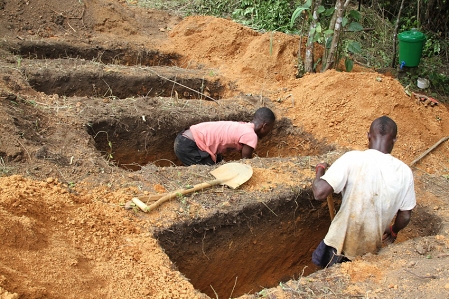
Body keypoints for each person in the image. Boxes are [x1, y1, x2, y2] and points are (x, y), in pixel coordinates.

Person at [311, 116, 416, 268]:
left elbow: (319, 192)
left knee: (322, 280)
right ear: (394, 140)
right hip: (369, 252)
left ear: (368, 136)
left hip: (338, 243)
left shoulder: (353, 158)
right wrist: (394, 231)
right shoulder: (405, 172)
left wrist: (320, 170)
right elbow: (405, 215)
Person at [174, 107, 275, 166]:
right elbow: (246, 162)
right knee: (210, 172)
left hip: (185, 138)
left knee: (219, 161)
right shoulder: (251, 135)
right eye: (269, 130)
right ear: (264, 126)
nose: (267, 133)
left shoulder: (242, 126)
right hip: (190, 146)